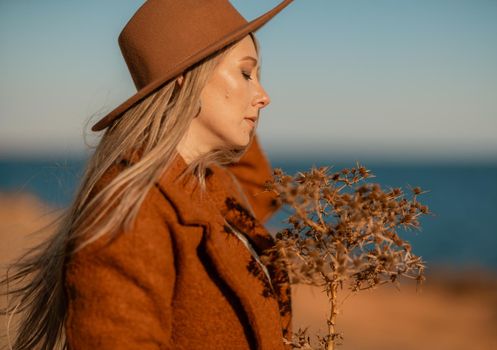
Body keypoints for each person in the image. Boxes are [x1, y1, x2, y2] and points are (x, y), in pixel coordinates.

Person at [1, 0, 295, 349]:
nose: (264, 97)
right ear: (186, 76)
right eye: (246, 73)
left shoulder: (206, 189)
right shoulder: (131, 210)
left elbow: (256, 186)